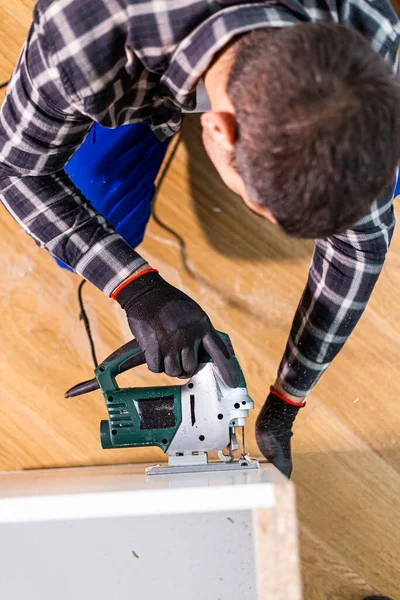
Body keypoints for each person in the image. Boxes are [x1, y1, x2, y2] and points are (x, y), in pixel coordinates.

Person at [1, 0, 400, 483]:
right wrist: (136, 287)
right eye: (259, 205)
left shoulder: (371, 29)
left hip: (187, 67)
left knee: (377, 181)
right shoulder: (82, 37)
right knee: (92, 205)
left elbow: (360, 245)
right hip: (131, 74)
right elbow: (16, 169)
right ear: (219, 128)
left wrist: (289, 397)